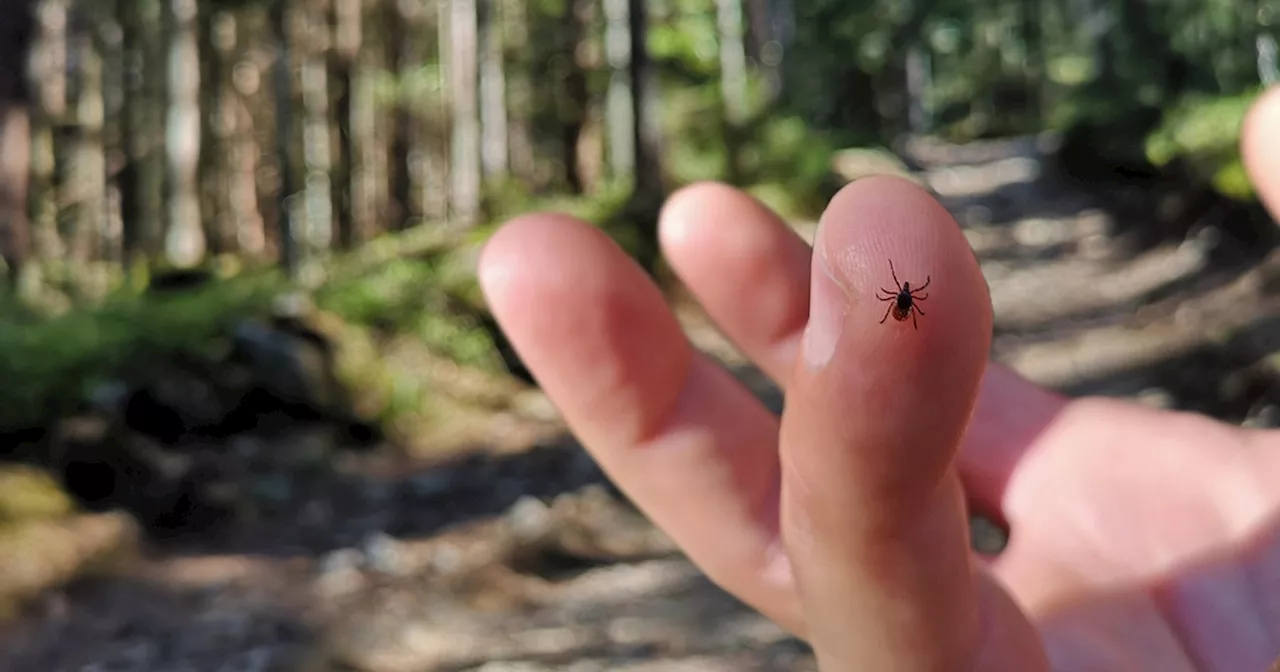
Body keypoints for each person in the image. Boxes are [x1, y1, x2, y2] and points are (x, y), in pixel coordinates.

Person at [476, 85, 1280, 671]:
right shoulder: (903, 296)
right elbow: (910, 296)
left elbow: (912, 296)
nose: (902, 295)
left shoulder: (905, 297)